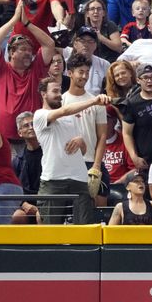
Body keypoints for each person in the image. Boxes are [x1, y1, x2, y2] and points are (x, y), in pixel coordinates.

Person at [33, 76, 111, 225]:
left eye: (60, 91)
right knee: (51, 228)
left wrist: (81, 142)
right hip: (53, 179)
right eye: (55, 91)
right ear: (43, 94)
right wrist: (94, 101)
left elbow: (81, 152)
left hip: (79, 178)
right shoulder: (40, 115)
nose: (59, 94)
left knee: (84, 226)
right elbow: (66, 110)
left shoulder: (69, 119)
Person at [0, 1, 55, 144]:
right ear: (11, 52)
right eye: (23, 49)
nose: (28, 53)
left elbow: (49, 44)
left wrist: (27, 23)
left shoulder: (37, 70)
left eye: (30, 50)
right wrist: (14, 20)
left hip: (32, 139)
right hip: (3, 140)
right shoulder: (0, 69)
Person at [62, 53, 110, 207]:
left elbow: (102, 136)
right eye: (80, 72)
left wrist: (96, 165)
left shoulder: (97, 101)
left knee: (99, 208)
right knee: (70, 211)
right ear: (70, 73)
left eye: (87, 72)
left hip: (91, 161)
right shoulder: (61, 101)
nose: (84, 76)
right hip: (68, 163)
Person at [12, 111, 41, 195]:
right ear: (19, 133)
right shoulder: (17, 161)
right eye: (26, 125)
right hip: (26, 202)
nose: (31, 127)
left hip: (47, 199)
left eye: (33, 124)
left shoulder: (49, 153)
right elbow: (14, 187)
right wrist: (23, 204)